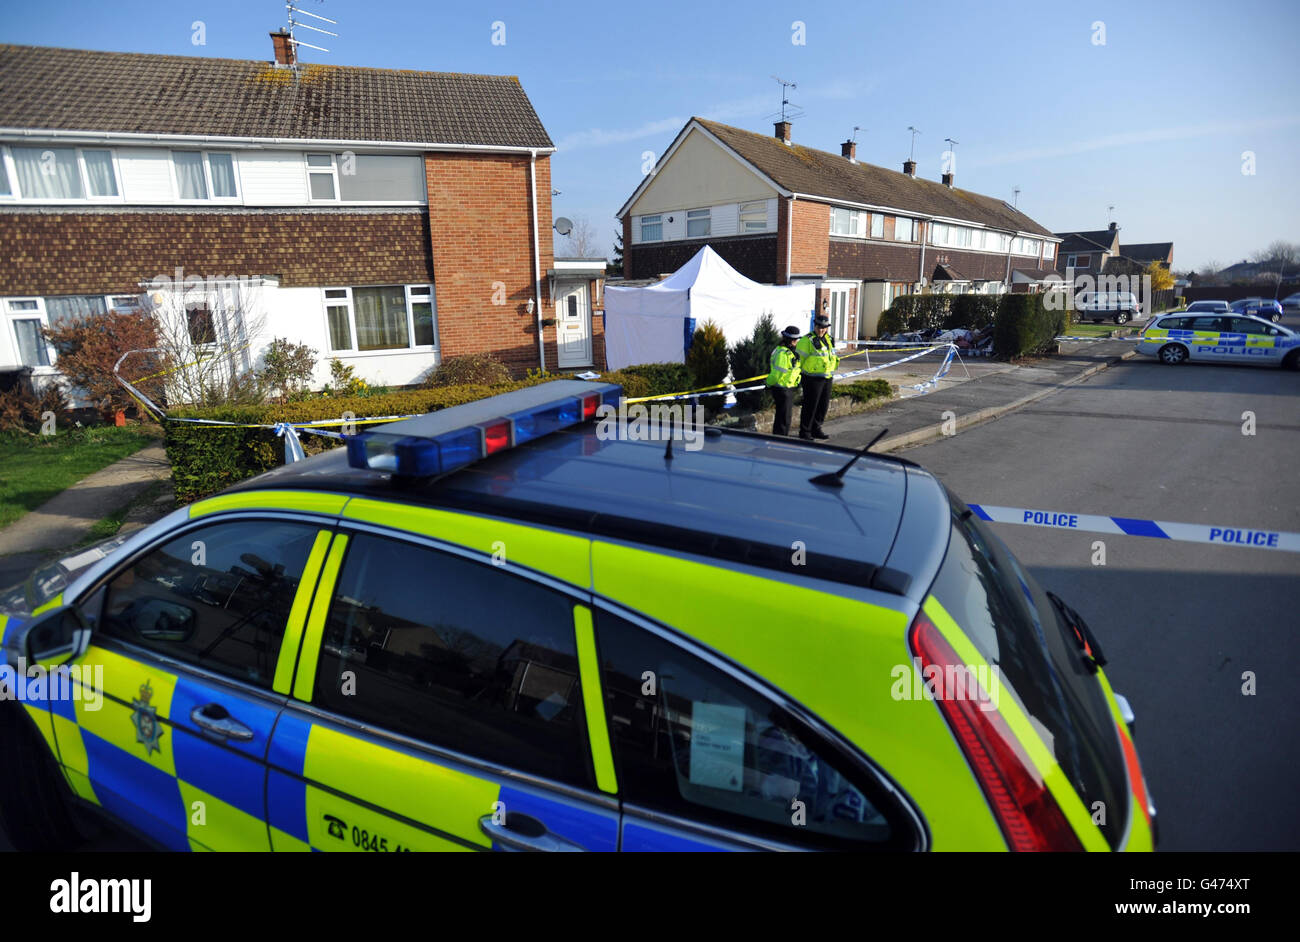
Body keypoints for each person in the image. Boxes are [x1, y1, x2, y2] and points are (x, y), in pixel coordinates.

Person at [796, 315, 839, 440]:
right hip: (811, 378)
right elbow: (799, 360)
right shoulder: (806, 340)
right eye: (819, 327)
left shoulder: (829, 339)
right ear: (815, 326)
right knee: (810, 405)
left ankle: (816, 428)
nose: (821, 330)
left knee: (823, 406)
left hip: (827, 376)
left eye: (824, 328)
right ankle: (805, 431)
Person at [765, 325, 803, 435]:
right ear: (789, 340)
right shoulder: (782, 353)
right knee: (784, 417)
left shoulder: (790, 352)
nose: (796, 341)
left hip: (787, 388)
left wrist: (796, 382)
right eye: (795, 339)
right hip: (782, 388)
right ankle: (780, 439)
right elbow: (777, 374)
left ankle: (781, 438)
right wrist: (768, 383)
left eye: (797, 339)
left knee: (784, 416)